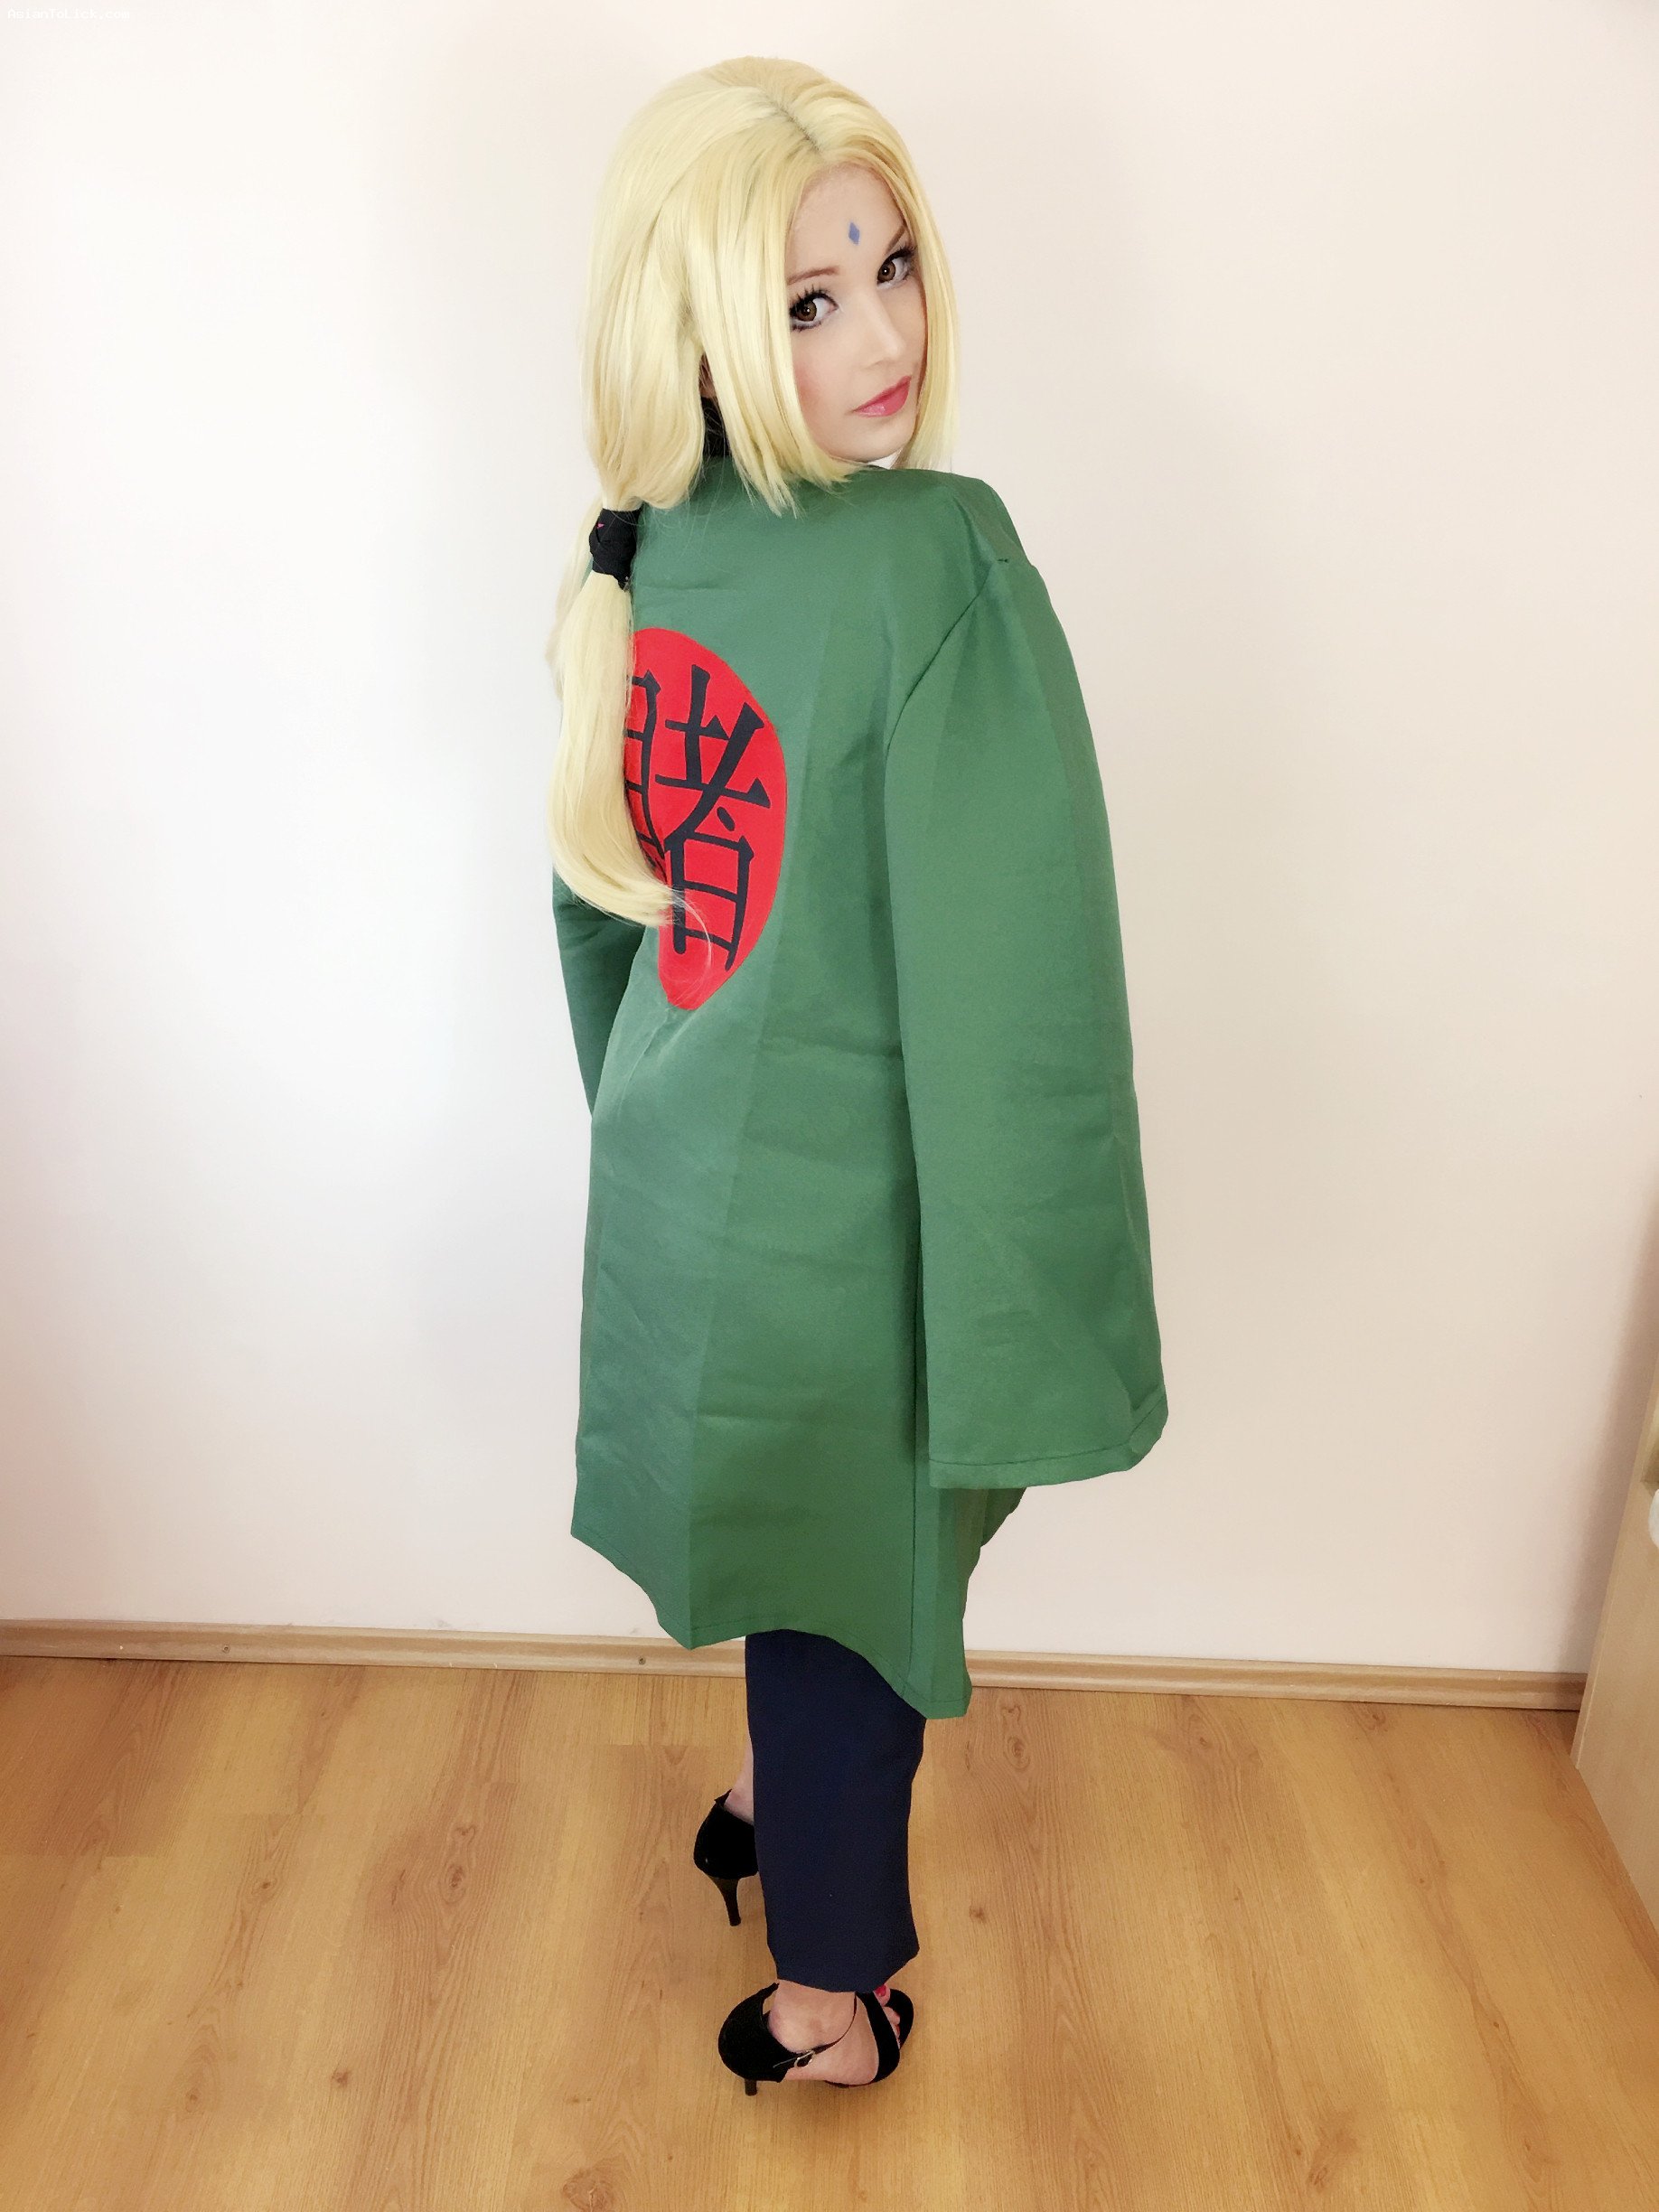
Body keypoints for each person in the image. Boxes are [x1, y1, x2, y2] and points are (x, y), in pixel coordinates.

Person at [546, 57, 1167, 2093]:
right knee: (872, 1602)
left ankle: (764, 1797)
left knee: (785, 1545)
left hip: (688, 1202)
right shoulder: (935, 559)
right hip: (862, 1225)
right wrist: (1035, 1280)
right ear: (702, 328)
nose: (883, 332)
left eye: (889, 267)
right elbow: (1020, 978)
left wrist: (653, 1132)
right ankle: (827, 1998)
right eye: (809, 299)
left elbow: (599, 931)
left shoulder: (642, 561)